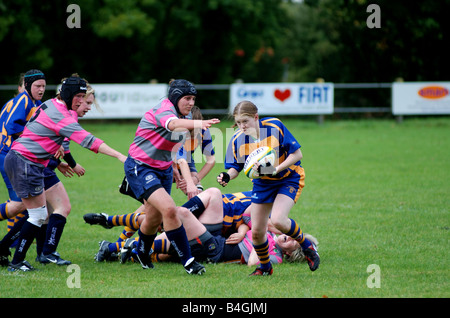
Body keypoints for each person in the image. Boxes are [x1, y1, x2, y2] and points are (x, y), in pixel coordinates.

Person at [3, 75, 126, 272]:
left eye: (83, 96)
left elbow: (41, 133)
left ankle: (10, 252)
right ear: (68, 94)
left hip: (25, 161)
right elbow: (89, 141)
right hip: (26, 162)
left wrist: (56, 160)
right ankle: (17, 262)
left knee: (38, 213)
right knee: (37, 214)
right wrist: (120, 155)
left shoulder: (53, 104)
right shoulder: (61, 114)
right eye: (78, 96)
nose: (80, 101)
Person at [123, 79, 220, 275]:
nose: (191, 103)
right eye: (187, 98)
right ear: (176, 98)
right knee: (169, 209)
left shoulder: (185, 115)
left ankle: (141, 251)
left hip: (164, 168)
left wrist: (174, 166)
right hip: (140, 166)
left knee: (153, 216)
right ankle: (189, 261)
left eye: (193, 99)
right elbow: (173, 124)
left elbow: (177, 149)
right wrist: (199, 122)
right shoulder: (165, 110)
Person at [217, 100, 320, 275]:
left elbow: (297, 154)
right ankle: (265, 268)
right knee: (257, 232)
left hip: (288, 178)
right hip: (262, 184)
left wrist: (275, 169)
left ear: (256, 117)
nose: (242, 126)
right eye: (238, 122)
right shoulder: (236, 139)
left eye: (245, 121)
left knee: (279, 219)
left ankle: (306, 246)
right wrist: (227, 175)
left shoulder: (274, 127)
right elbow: (236, 167)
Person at [0, 70, 46, 224]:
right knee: (20, 202)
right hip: (7, 154)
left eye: (43, 86)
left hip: (16, 155)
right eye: (37, 86)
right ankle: (11, 241)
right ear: (26, 86)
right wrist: (37, 138)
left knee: (23, 200)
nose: (41, 89)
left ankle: (13, 241)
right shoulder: (23, 100)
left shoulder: (35, 102)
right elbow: (13, 126)